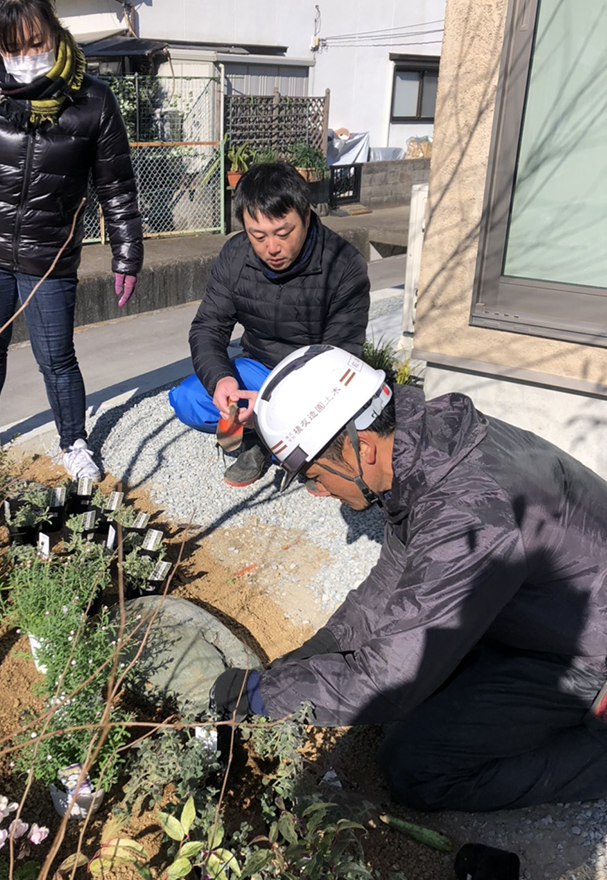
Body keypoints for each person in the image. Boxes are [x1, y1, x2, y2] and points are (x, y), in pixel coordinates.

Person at [212, 344, 607, 812]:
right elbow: (388, 586)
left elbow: (389, 677)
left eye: (313, 477)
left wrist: (258, 697)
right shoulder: (425, 452)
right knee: (412, 681)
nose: (318, 492)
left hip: (585, 653)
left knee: (415, 765)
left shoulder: (466, 510)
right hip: (543, 612)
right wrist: (309, 655)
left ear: (363, 446)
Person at [0, 0, 143, 479]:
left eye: (36, 42)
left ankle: (74, 442)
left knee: (56, 357)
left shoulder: (92, 100)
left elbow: (114, 184)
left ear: (52, 28)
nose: (26, 55)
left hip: (49, 256)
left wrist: (127, 253)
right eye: (12, 47)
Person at [168, 162, 369, 487]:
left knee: (348, 423)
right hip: (259, 367)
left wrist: (270, 408)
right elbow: (208, 327)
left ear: (305, 216)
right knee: (188, 399)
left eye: (283, 233)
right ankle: (262, 439)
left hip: (315, 381)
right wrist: (222, 381)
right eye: (258, 236)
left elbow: (341, 358)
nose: (271, 248)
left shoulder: (343, 264)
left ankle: (297, 447)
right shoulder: (235, 256)